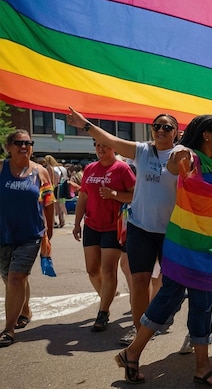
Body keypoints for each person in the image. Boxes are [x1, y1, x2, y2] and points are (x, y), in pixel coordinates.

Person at [115, 114, 212, 386]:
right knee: (195, 303)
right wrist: (180, 151)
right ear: (206, 135)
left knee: (176, 300)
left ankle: (133, 353)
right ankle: (201, 366)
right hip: (185, 243)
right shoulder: (192, 159)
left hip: (210, 245)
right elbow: (176, 164)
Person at [66, 107, 179, 346]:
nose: (160, 130)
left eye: (167, 127)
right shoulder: (142, 151)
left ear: (175, 133)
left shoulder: (181, 155)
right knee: (138, 280)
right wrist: (85, 124)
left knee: (167, 282)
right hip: (140, 228)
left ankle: (158, 316)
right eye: (157, 126)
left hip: (170, 231)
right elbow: (110, 139)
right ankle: (140, 335)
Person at [73, 141, 136, 331]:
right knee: (92, 270)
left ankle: (102, 313)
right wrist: (77, 223)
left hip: (113, 227)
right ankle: (107, 296)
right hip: (92, 225)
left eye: (105, 146)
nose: (100, 149)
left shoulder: (122, 169)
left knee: (108, 270)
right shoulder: (90, 168)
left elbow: (135, 195)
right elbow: (83, 197)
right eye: (97, 145)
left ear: (114, 148)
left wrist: (115, 194)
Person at [0, 130, 55, 347]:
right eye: (18, 143)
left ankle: (9, 329)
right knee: (10, 278)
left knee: (16, 277)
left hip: (31, 235)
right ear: (9, 147)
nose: (24, 146)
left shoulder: (40, 172)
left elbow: (48, 204)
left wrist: (48, 233)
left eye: (28, 143)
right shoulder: (2, 168)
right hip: (3, 234)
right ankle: (24, 309)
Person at [43, 154, 68, 228]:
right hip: (63, 186)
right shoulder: (62, 168)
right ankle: (62, 220)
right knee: (61, 204)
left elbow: (52, 180)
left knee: (54, 205)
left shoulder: (51, 168)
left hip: (55, 187)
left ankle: (55, 221)